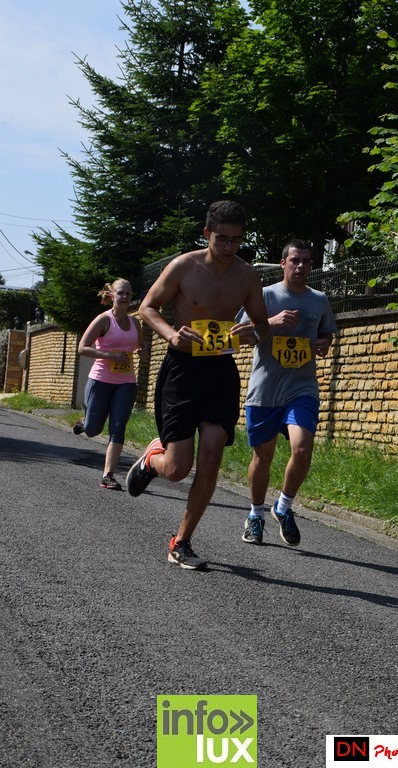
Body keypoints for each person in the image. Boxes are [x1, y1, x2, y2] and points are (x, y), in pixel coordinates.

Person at [125, 200, 270, 570]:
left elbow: (262, 326)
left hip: (220, 371)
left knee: (210, 458)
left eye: (236, 240)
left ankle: (182, 541)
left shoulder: (247, 276)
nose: (229, 247)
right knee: (177, 469)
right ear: (207, 233)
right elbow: (147, 307)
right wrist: (171, 334)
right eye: (222, 239)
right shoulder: (184, 266)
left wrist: (253, 334)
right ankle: (152, 460)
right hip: (182, 369)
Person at [238, 239, 337, 546]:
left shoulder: (319, 300)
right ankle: (256, 515)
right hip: (266, 389)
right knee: (263, 457)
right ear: (283, 263)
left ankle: (283, 507)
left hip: (302, 386)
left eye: (306, 261)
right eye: (295, 260)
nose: (301, 266)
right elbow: (239, 335)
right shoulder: (265, 295)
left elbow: (327, 334)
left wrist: (324, 344)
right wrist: (270, 322)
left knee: (303, 448)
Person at [74, 278, 148, 490]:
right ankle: (85, 421)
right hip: (100, 380)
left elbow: (141, 347)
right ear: (112, 296)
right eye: (121, 293)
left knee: (118, 427)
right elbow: (82, 348)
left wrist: (142, 352)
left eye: (128, 293)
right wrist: (109, 355)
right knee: (92, 430)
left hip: (126, 382)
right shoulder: (103, 320)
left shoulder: (135, 323)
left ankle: (108, 475)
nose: (125, 297)